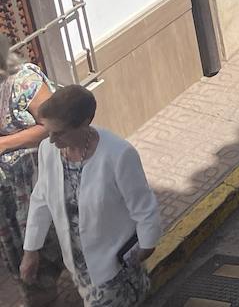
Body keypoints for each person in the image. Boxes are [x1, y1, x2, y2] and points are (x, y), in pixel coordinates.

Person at [21, 86, 161, 307]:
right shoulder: (48, 150)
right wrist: (31, 251)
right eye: (49, 132)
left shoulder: (119, 155)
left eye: (59, 133)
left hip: (114, 267)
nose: (52, 140)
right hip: (79, 267)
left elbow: (144, 208)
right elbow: (41, 200)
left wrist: (146, 247)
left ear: (85, 123)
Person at [0, 38, 62, 307]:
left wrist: (4, 144)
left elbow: (54, 124)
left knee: (55, 245)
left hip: (37, 181)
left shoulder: (25, 81)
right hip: (8, 197)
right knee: (25, 265)